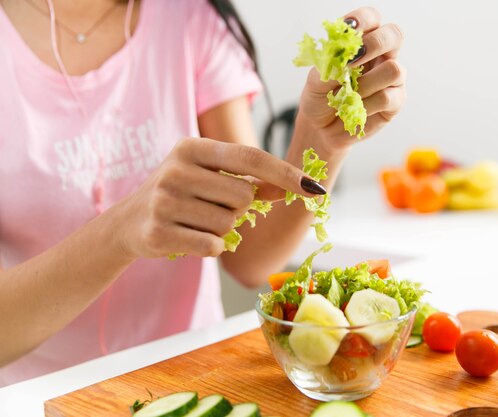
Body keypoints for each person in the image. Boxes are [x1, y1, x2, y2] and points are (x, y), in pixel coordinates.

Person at [0, 0, 406, 386]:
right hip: (32, 397)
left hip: (192, 381)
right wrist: (121, 232)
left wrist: (321, 139)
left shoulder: (192, 17)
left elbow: (249, 258)